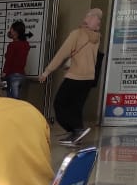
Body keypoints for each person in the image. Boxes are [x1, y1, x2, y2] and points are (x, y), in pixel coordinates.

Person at [39, 8, 103, 146]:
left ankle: (76, 130)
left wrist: (47, 71)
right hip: (89, 77)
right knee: (76, 107)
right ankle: (76, 136)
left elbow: (62, 53)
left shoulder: (77, 33)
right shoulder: (97, 36)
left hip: (75, 76)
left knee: (59, 104)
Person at [1, 20, 32, 99]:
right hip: (21, 75)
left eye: (12, 30)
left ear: (15, 32)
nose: (10, 31)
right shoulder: (26, 45)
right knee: (17, 99)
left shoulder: (12, 45)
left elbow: (8, 61)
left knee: (10, 99)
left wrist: (3, 74)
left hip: (11, 75)